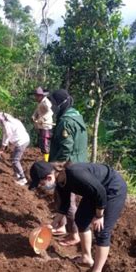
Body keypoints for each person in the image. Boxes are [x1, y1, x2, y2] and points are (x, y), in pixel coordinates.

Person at [29, 160, 127, 272]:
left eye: (41, 183)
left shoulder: (76, 174)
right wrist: (51, 225)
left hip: (112, 189)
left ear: (49, 177)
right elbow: (64, 206)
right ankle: (86, 258)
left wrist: (99, 216)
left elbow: (101, 193)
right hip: (95, 192)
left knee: (101, 231)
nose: (42, 186)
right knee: (81, 219)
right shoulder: (60, 182)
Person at [48, 89, 88, 247]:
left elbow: (66, 148)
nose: (52, 107)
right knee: (61, 196)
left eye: (53, 104)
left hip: (68, 166)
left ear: (60, 104)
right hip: (78, 162)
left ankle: (74, 234)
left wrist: (56, 169)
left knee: (68, 200)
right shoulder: (76, 116)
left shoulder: (66, 121)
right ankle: (62, 225)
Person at [0, 112, 30, 186]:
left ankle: (22, 178)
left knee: (15, 160)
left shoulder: (7, 124)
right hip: (25, 139)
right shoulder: (15, 121)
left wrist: (2, 148)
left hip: (21, 142)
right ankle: (16, 174)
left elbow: (7, 135)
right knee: (13, 158)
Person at [31, 87, 54, 162]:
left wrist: (42, 119)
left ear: (41, 96)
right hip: (41, 126)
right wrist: (34, 116)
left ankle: (46, 160)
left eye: (37, 96)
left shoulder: (46, 102)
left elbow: (50, 112)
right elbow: (37, 110)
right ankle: (44, 158)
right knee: (41, 142)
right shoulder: (40, 102)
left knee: (45, 143)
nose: (35, 97)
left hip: (46, 126)